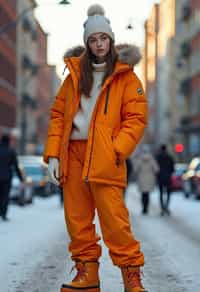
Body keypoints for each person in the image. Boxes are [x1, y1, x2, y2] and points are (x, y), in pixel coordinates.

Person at [43, 4, 148, 292]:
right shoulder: (75, 76)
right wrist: (53, 154)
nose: (99, 44)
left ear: (111, 40)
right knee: (77, 219)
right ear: (87, 43)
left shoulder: (127, 77)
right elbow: (57, 115)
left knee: (114, 220)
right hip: (73, 155)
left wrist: (117, 148)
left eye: (103, 38)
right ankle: (86, 273)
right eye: (93, 39)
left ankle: (131, 275)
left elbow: (136, 118)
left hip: (105, 155)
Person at [0, 134, 24, 221]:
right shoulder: (11, 151)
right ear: (8, 141)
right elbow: (16, 166)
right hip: (7, 177)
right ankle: (4, 214)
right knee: (5, 196)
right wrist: (21, 178)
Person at [134, 145, 159, 215]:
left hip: (141, 179)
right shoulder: (152, 159)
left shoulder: (140, 159)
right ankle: (146, 208)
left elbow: (136, 169)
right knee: (147, 194)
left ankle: (143, 208)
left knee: (143, 194)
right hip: (150, 179)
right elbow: (156, 169)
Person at [156, 144, 175, 216]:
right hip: (168, 178)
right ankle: (166, 206)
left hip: (160, 178)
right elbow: (173, 168)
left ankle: (162, 208)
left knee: (161, 193)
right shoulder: (170, 157)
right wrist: (169, 173)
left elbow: (156, 168)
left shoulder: (158, 157)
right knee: (168, 193)